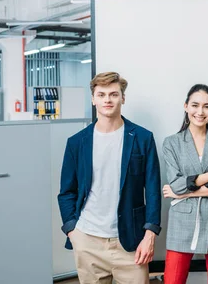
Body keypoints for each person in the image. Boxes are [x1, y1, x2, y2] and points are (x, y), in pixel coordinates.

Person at [58, 72, 161, 284]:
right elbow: (67, 191)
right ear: (93, 99)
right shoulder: (77, 143)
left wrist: (150, 234)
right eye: (101, 94)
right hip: (87, 240)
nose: (107, 100)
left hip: (131, 243)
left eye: (113, 94)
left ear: (123, 98)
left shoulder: (143, 138)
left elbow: (152, 190)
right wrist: (72, 231)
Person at [161, 84, 208, 284]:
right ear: (186, 106)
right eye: (195, 105)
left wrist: (184, 193)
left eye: (206, 106)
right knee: (173, 280)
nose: (200, 112)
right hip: (182, 220)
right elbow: (176, 184)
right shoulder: (172, 143)